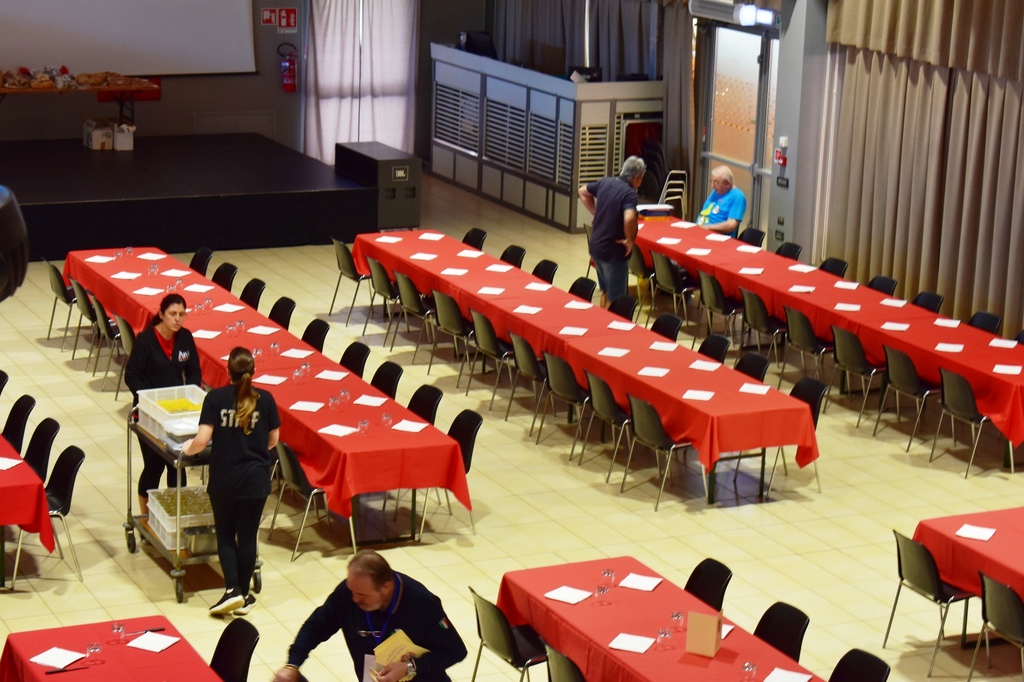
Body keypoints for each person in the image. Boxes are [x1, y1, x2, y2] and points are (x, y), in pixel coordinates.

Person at [182, 347, 280, 616]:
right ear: (253, 371)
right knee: (247, 537)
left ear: (228, 371)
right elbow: (274, 440)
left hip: (225, 479)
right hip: (256, 480)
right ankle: (244, 596)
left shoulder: (215, 398)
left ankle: (232, 590)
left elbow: (202, 440)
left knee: (225, 533)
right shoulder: (266, 399)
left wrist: (188, 449)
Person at [273, 550, 467, 682]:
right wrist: (292, 664)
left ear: (386, 587)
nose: (354, 599)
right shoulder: (348, 594)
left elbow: (456, 651)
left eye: (362, 594)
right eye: (352, 591)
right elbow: (316, 627)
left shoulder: (421, 603)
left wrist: (409, 666)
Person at [125, 293, 201, 516]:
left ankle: (174, 516)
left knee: (178, 467)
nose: (177, 319)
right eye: (172, 314)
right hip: (150, 416)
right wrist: (149, 400)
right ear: (161, 314)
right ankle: (146, 518)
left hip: (177, 415)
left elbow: (194, 371)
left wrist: (192, 393)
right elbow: (132, 376)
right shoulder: (145, 341)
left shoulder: (185, 337)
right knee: (154, 466)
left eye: (182, 314)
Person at [578, 156, 645, 309]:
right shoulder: (629, 194)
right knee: (615, 299)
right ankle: (609, 323)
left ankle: (601, 320)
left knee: (606, 291)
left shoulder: (605, 182)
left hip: (596, 248)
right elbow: (629, 218)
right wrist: (629, 240)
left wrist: (596, 213)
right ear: (638, 177)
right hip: (613, 252)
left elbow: (582, 191)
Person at [696, 165, 747, 237]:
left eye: (716, 182)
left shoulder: (738, 196)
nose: (712, 185)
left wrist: (707, 228)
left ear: (727, 183)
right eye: (711, 181)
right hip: (699, 231)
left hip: (715, 236)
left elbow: (731, 225)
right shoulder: (718, 191)